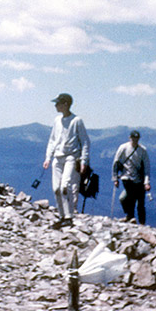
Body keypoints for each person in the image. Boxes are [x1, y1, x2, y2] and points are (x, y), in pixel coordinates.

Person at [43, 93, 90, 229]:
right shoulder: (57, 120)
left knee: (65, 186)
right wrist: (48, 157)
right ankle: (62, 216)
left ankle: (69, 216)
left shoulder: (77, 121)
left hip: (71, 157)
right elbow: (52, 140)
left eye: (58, 103)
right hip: (57, 157)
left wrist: (84, 161)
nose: (55, 106)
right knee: (56, 188)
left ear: (65, 104)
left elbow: (85, 141)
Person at [112, 130, 151, 224]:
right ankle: (131, 217)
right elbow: (116, 163)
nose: (135, 140)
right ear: (130, 138)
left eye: (137, 138)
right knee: (130, 198)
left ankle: (140, 222)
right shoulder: (123, 148)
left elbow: (147, 167)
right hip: (127, 177)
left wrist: (146, 182)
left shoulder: (142, 150)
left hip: (139, 179)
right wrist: (115, 178)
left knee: (140, 203)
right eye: (133, 138)